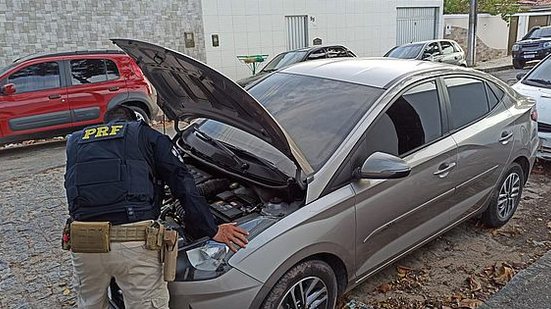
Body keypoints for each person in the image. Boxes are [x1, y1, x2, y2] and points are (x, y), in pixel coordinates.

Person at [63, 105, 248, 309]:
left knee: (89, 303)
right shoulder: (145, 134)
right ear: (135, 119)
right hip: (134, 244)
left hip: (84, 243)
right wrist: (211, 229)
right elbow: (183, 184)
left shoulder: (76, 141)